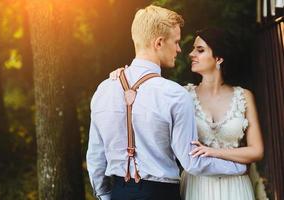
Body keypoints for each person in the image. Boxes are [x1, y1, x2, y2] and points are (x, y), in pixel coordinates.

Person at [87, 5, 247, 200]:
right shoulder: (175, 94)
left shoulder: (104, 89)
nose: (180, 49)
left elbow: (95, 157)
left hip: (120, 192)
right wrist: (237, 167)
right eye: (177, 42)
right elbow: (191, 162)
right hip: (161, 194)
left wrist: (104, 194)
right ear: (159, 43)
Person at [179, 28, 264, 200]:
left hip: (236, 188)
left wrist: (213, 152)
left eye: (200, 50)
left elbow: (256, 151)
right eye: (194, 49)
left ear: (219, 58)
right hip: (197, 186)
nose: (191, 54)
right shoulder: (184, 96)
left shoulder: (244, 96)